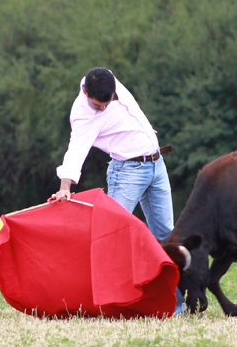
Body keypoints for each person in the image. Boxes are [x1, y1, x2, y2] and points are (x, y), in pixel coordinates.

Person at [51, 67, 183, 313]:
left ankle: (174, 304)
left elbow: (131, 105)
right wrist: (64, 187)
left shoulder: (108, 79)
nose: (102, 108)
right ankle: (110, 302)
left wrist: (144, 129)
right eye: (97, 104)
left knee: (166, 234)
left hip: (157, 164)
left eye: (106, 103)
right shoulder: (83, 115)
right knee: (113, 238)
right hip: (127, 173)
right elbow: (76, 149)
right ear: (85, 92)